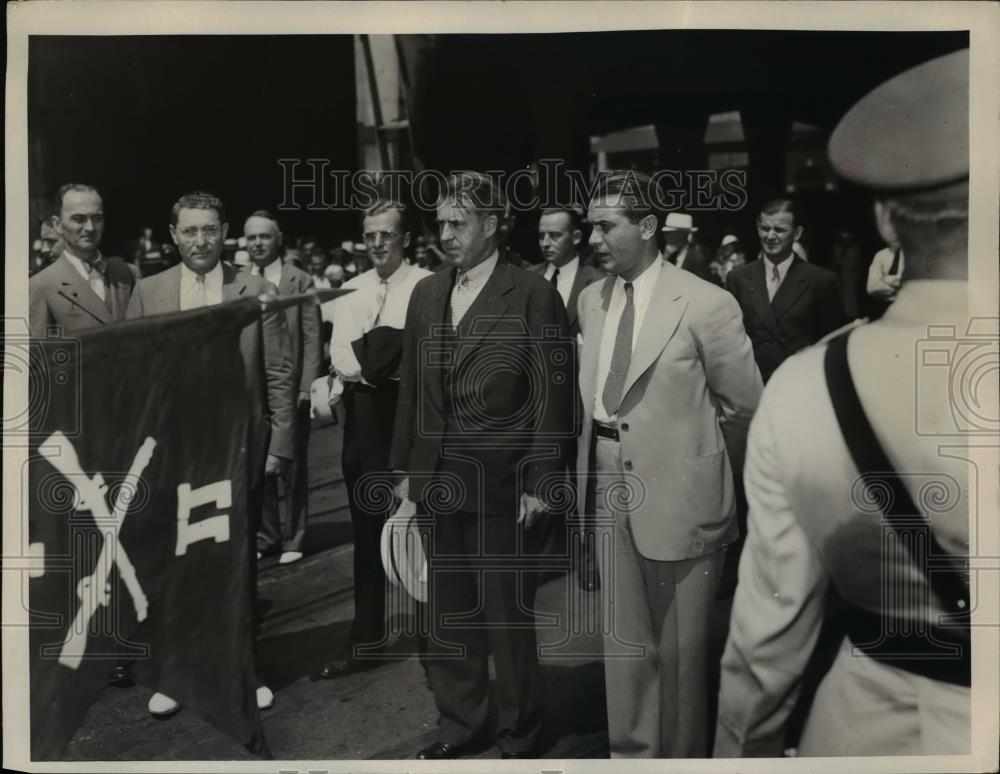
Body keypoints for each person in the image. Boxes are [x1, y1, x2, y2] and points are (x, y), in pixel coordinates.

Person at [715, 48, 973, 758]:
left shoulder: (804, 389)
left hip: (863, 733)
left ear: (889, 221)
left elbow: (766, 639)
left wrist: (739, 754)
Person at [389, 172, 576, 759]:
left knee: (506, 620)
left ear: (492, 226)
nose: (445, 235)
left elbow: (554, 396)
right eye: (440, 224)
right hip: (436, 481)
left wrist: (542, 484)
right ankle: (462, 725)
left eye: (458, 223)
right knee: (449, 617)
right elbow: (411, 394)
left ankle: (521, 730)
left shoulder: (530, 293)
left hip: (502, 485)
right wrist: (404, 474)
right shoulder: (426, 294)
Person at [576, 170, 761, 757]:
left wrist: (700, 473)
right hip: (607, 478)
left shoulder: (707, 303)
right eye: (591, 228)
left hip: (683, 491)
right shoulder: (590, 301)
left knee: (682, 653)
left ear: (649, 226)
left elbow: (743, 407)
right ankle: (631, 755)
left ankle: (682, 763)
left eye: (606, 227)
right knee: (625, 642)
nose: (594, 240)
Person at [126, 191, 296, 717]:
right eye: (190, 230)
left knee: (236, 565)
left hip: (237, 447)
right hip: (173, 454)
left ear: (226, 234)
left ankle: (242, 669)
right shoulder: (148, 292)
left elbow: (280, 373)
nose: (201, 240)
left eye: (211, 230)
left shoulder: (256, 289)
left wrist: (280, 447)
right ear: (174, 234)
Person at [320, 199, 431, 678]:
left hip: (412, 416)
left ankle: (434, 644)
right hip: (365, 420)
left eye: (387, 234)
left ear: (404, 238)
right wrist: (383, 354)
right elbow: (340, 357)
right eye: (370, 235)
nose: (378, 243)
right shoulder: (350, 289)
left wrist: (372, 357)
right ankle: (365, 638)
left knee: (422, 530)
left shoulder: (427, 285)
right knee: (367, 535)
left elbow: (422, 358)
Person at [529, 205, 605, 591]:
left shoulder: (597, 282)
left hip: (580, 399)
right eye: (541, 235)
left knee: (583, 482)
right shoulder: (528, 279)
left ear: (576, 237)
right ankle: (544, 560)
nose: (545, 243)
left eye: (554, 235)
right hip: (539, 404)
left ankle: (588, 563)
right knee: (541, 481)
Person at [244, 210, 323, 565]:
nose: (257, 243)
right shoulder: (242, 281)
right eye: (251, 238)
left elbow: (311, 335)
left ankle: (294, 537)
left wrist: (307, 385)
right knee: (257, 462)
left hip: (290, 387)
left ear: (279, 239)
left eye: (264, 236)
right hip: (254, 390)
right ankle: (267, 535)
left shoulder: (299, 280)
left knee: (291, 464)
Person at [725, 199, 846, 383]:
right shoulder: (738, 278)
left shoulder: (821, 280)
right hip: (752, 387)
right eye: (764, 228)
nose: (770, 236)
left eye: (779, 230)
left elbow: (830, 346)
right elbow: (730, 341)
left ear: (797, 233)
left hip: (798, 386)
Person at [29, 184, 137, 337]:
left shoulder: (128, 274)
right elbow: (41, 358)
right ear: (58, 224)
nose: (91, 228)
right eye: (79, 219)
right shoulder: (41, 285)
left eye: (97, 218)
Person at [662, 212, 715, 284]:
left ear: (683, 234)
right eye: (667, 233)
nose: (666, 237)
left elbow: (701, 286)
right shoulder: (672, 254)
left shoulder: (697, 258)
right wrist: (665, 257)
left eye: (671, 233)